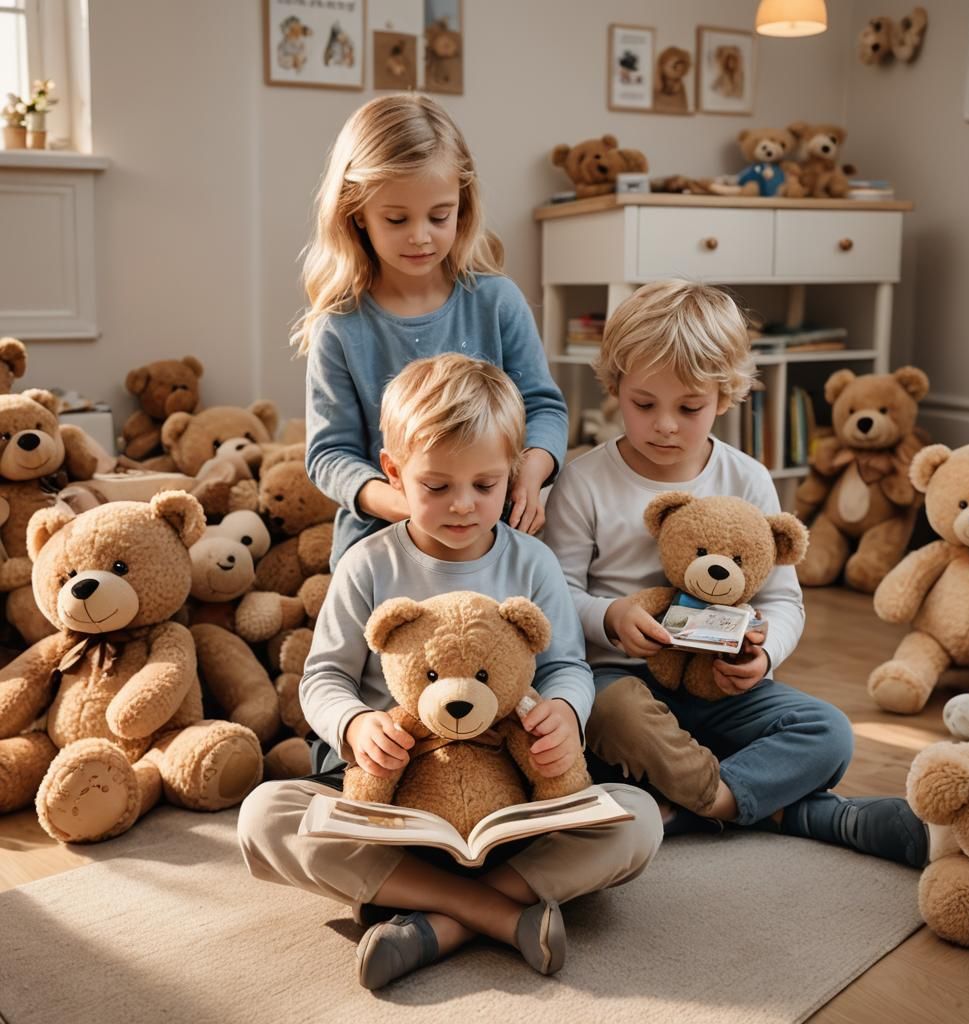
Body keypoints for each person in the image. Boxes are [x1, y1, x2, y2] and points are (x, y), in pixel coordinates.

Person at [237, 354, 661, 989]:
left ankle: (431, 918)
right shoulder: (367, 564)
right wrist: (355, 728)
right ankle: (491, 912)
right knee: (264, 815)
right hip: (392, 800)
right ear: (394, 473)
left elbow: (569, 665)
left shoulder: (534, 563)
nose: (463, 506)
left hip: (510, 798)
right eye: (436, 487)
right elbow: (323, 678)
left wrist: (567, 713)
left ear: (514, 474)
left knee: (638, 819)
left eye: (486, 486)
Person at [543, 280, 929, 867]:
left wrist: (764, 654)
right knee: (608, 716)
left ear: (724, 397)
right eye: (644, 404)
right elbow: (557, 595)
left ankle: (690, 805)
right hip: (618, 682)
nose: (666, 425)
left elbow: (783, 600)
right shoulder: (585, 480)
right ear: (614, 386)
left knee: (828, 731)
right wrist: (611, 617)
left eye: (689, 407)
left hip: (716, 686)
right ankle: (779, 809)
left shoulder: (747, 478)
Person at [291, 93, 568, 568]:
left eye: (440, 216)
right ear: (357, 213)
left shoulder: (496, 301)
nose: (421, 235)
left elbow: (543, 406)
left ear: (462, 205)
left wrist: (532, 474)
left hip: (492, 535)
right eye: (397, 219)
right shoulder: (340, 326)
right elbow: (329, 455)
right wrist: (416, 507)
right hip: (382, 548)